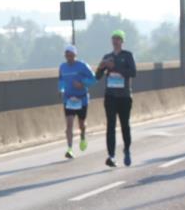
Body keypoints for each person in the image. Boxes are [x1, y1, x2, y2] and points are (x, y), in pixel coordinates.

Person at [95, 29, 137, 167]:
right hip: (110, 96)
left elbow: (133, 72)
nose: (115, 41)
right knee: (110, 126)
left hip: (124, 96)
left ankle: (127, 149)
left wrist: (116, 67)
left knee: (125, 125)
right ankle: (111, 156)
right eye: (113, 38)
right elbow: (98, 77)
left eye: (118, 38)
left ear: (122, 41)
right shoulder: (107, 57)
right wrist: (101, 68)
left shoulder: (127, 55)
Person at [58, 45, 95, 158]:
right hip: (68, 99)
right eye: (67, 55)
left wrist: (82, 84)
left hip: (81, 99)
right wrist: (61, 89)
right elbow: (61, 80)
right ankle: (69, 149)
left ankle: (83, 136)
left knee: (81, 124)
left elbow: (93, 79)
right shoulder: (62, 67)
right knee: (69, 124)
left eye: (70, 55)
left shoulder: (82, 66)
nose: (68, 57)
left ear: (75, 55)